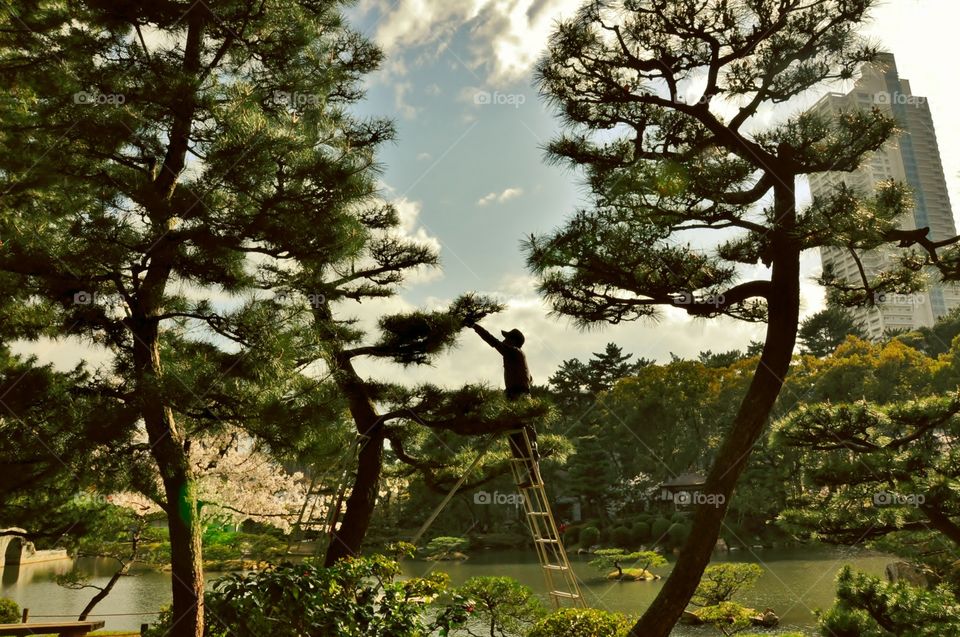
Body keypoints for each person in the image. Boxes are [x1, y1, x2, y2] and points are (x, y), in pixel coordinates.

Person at [469, 322, 540, 486]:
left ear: (513, 341)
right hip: (514, 397)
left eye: (507, 339)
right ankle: (530, 474)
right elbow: (529, 379)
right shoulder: (517, 356)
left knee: (527, 438)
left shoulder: (514, 352)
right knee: (516, 437)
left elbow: (493, 342)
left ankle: (534, 474)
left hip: (519, 398)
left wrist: (476, 327)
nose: (505, 341)